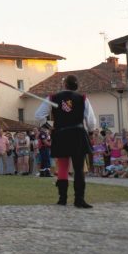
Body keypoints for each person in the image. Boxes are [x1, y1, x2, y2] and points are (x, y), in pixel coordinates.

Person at [35, 74, 97, 209]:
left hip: (61, 134)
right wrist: (91, 132)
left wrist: (49, 128)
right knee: (78, 168)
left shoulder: (53, 98)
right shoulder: (82, 98)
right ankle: (79, 200)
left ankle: (62, 199)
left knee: (63, 167)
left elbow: (39, 115)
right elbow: (91, 120)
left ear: (64, 84)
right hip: (78, 134)